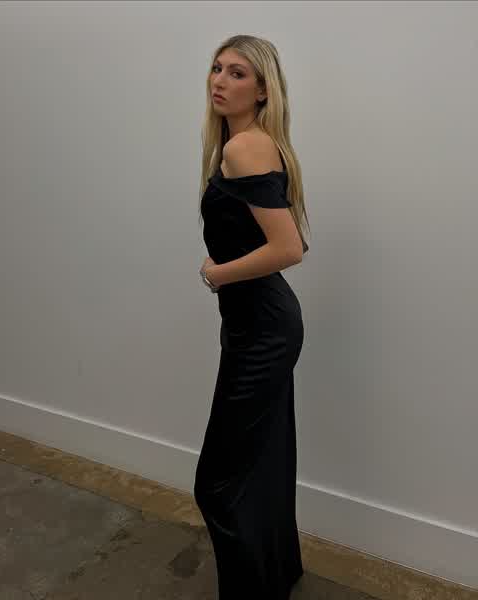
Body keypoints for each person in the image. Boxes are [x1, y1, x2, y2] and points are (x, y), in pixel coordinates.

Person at [194, 34, 310, 600]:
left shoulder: (246, 148)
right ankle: (274, 577)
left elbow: (289, 248)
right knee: (262, 463)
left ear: (263, 90)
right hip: (256, 324)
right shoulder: (247, 144)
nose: (220, 80)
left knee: (218, 485)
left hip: (262, 329)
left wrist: (217, 273)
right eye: (217, 68)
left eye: (237, 73)